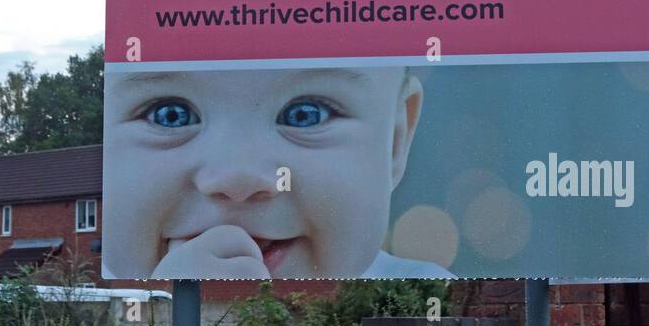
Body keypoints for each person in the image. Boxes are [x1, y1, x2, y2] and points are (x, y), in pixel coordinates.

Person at [102, 65, 453, 279]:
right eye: (169, 114)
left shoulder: (425, 290)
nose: (237, 178)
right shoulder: (104, 307)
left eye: (306, 114)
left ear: (394, 141)